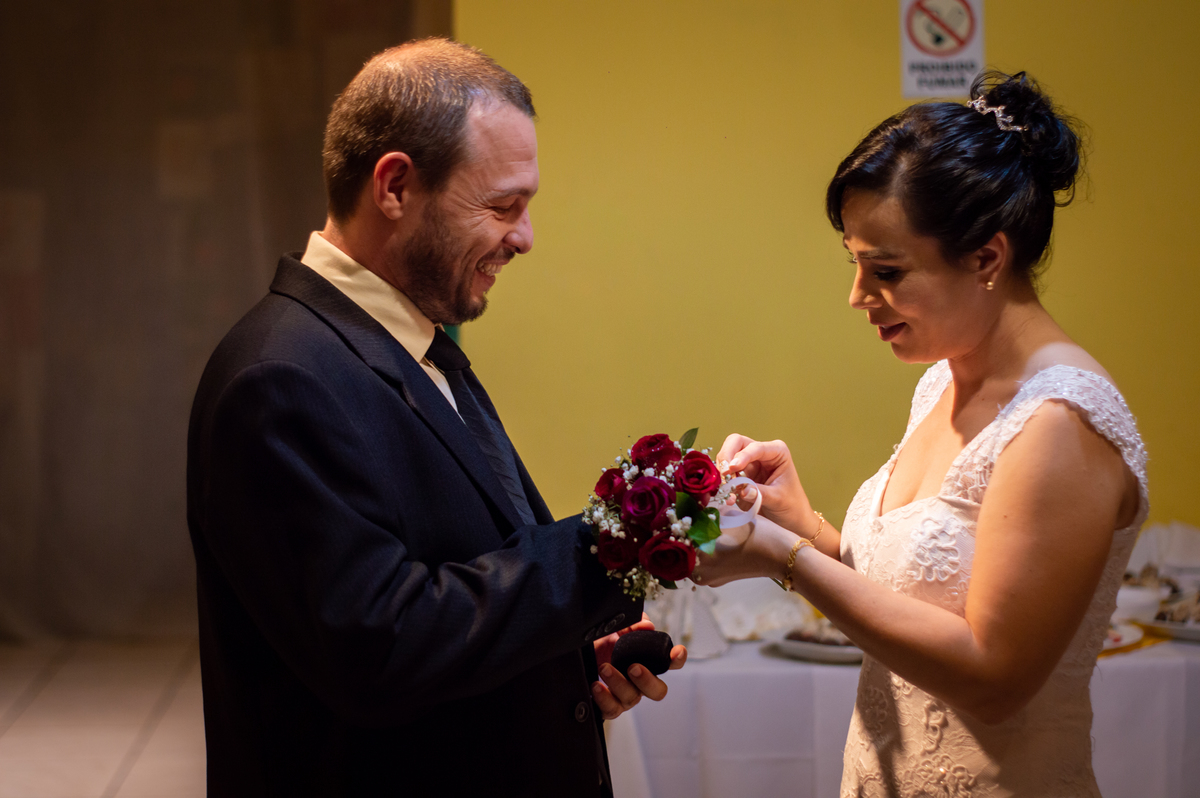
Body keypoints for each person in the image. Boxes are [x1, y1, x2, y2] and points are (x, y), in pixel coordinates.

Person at [186, 38, 684, 797]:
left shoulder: (414, 341)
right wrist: (610, 544)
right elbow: (379, 649)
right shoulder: (281, 377)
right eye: (502, 205)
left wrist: (564, 669)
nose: (523, 237)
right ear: (394, 186)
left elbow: (453, 584)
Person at [694, 71, 1147, 796]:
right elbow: (916, 598)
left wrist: (785, 559)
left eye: (888, 270)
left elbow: (996, 678)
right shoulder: (942, 379)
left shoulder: (1061, 423)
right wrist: (803, 525)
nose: (857, 297)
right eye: (855, 264)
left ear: (987, 258)